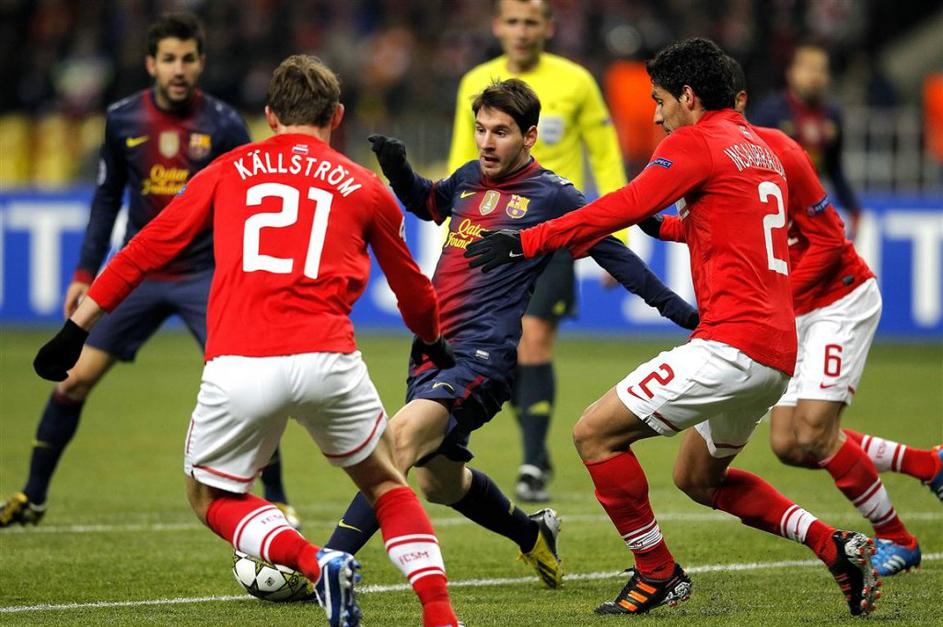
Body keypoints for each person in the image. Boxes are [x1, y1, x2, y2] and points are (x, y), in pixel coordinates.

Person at [31, 54, 461, 627]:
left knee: (208, 496)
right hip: (329, 358)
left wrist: (76, 329)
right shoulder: (366, 188)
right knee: (386, 482)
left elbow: (143, 250)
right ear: (336, 116)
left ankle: (315, 562)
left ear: (270, 116)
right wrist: (433, 340)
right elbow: (414, 292)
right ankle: (440, 614)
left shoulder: (227, 170)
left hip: (240, 361)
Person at [466, 38, 881, 617]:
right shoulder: (759, 148)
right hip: (776, 353)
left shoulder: (695, 141)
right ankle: (834, 546)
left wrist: (527, 240)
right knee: (697, 478)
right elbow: (725, 223)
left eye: (659, 101)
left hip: (730, 344)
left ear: (687, 96)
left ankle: (657, 572)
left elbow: (626, 204)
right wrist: (662, 228)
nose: (657, 116)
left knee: (593, 435)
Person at [326, 78, 697, 591]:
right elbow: (428, 203)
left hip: (483, 356)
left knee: (396, 443)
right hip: (434, 350)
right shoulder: (467, 178)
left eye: (500, 132)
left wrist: (681, 312)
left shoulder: (554, 195)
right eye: (481, 129)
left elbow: (615, 255)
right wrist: (399, 171)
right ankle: (531, 533)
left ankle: (322, 564)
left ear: (529, 136)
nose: (486, 142)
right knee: (439, 482)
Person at [0, 12, 299, 530]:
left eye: (188, 59)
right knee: (74, 380)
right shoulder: (122, 120)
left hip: (205, 275)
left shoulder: (225, 125)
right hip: (140, 272)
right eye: (169, 59)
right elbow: (106, 199)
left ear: (201, 63)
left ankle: (278, 498)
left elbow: (250, 203)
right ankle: (34, 495)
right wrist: (84, 273)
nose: (178, 69)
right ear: (150, 64)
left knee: (251, 386)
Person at [727, 56, 936, 577]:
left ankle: (898, 537)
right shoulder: (727, 157)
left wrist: (781, 298)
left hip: (837, 300)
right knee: (789, 444)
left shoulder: (778, 148)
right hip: (797, 305)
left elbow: (828, 240)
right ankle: (926, 463)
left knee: (816, 432)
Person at [449, 0, 628, 502]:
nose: (521, 31)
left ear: (548, 27)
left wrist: (619, 233)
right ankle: (535, 444)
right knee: (500, 352)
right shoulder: (475, 82)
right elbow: (463, 160)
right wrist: (454, 231)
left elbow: (605, 157)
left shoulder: (576, 82)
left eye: (531, 22)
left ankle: (531, 463)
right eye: (513, 21)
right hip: (492, 237)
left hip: (553, 235)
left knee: (534, 340)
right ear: (497, 26)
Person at [751, 42, 862, 237]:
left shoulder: (832, 116)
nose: (815, 76)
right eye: (809, 68)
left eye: (821, 69)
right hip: (771, 211)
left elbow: (834, 168)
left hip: (810, 213)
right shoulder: (769, 112)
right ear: (791, 72)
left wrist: (853, 208)